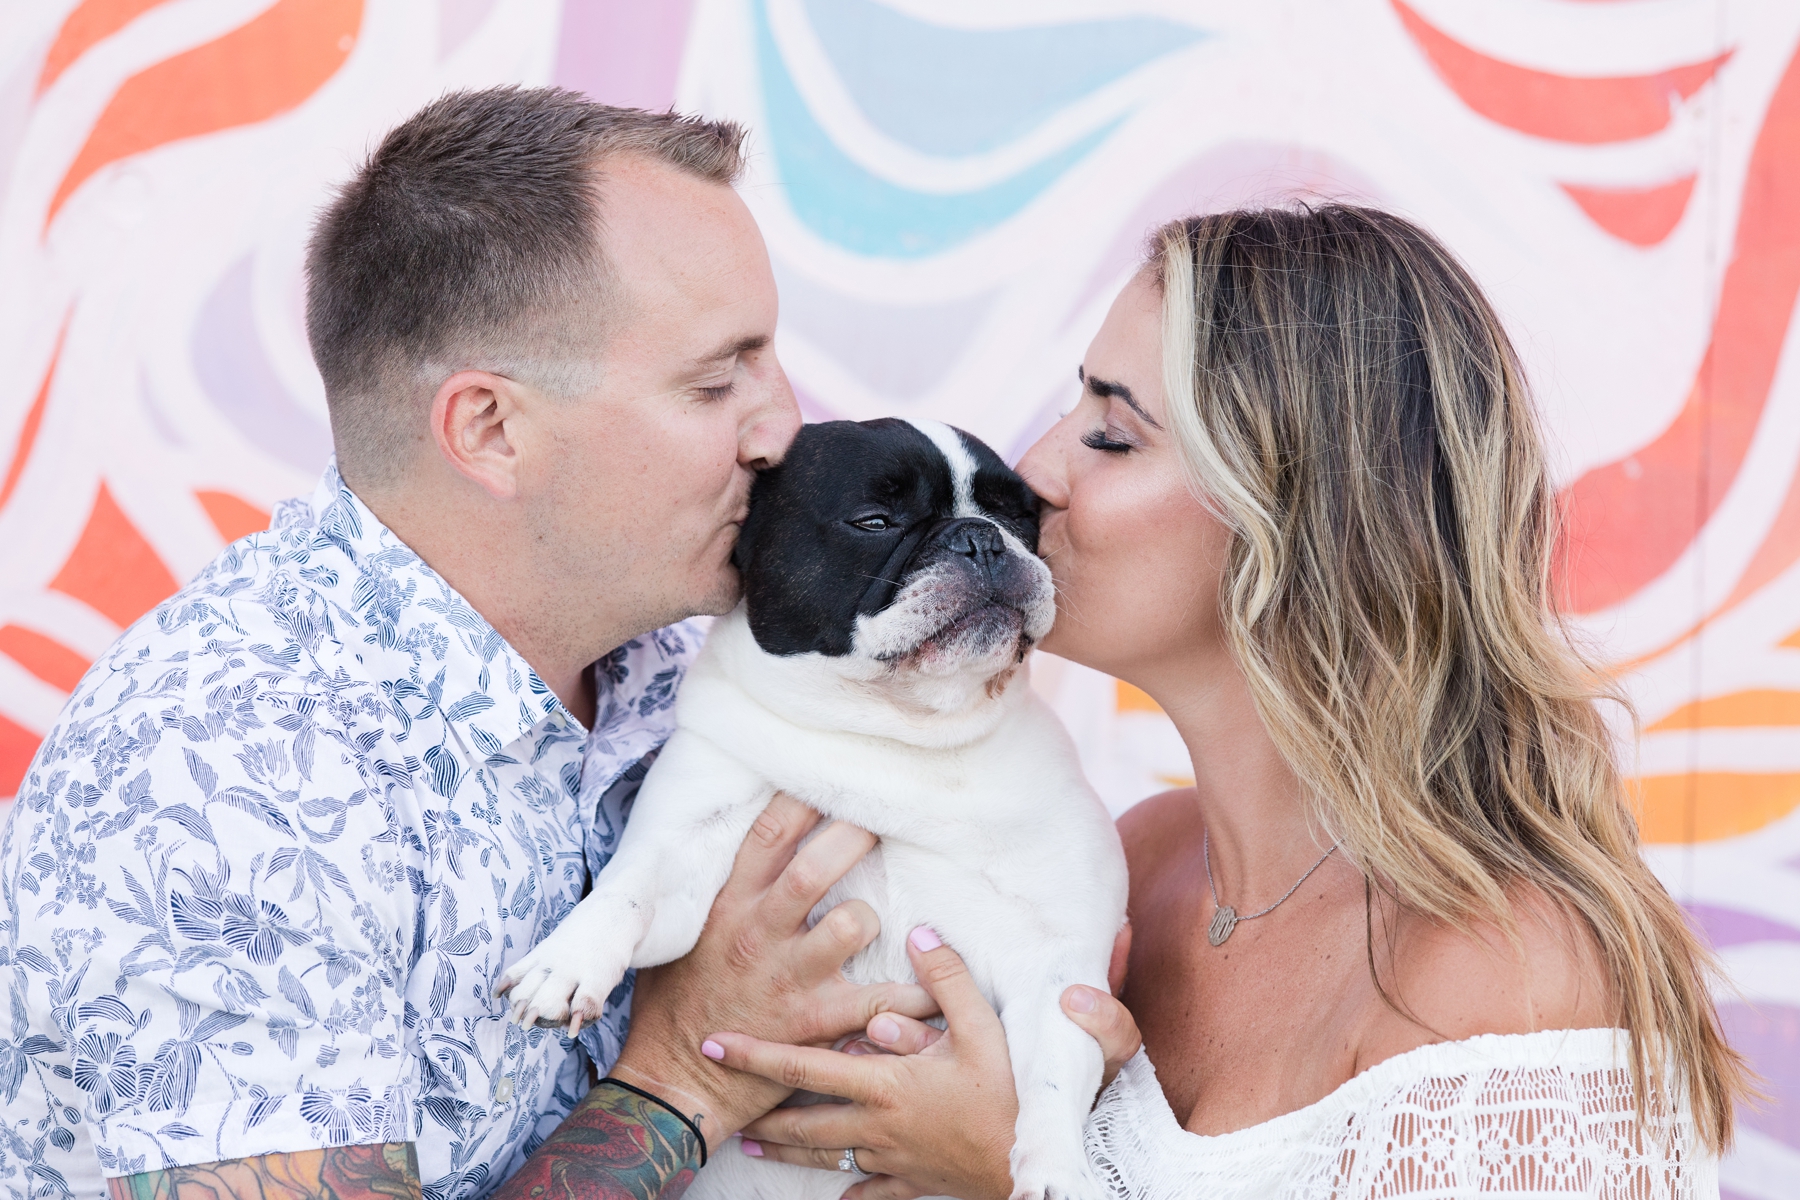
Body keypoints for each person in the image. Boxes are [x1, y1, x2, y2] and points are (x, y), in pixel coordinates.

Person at [0, 88, 943, 1200]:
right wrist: (687, 1077)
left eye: (769, 359)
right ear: (490, 430)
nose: (783, 427)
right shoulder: (225, 771)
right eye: (713, 380)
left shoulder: (680, 659)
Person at [702, 206, 1752, 1198]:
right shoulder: (1136, 863)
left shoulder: (1506, 970)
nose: (1036, 470)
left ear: (1296, 522)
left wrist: (1003, 1171)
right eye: (1072, 410)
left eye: (1112, 436)